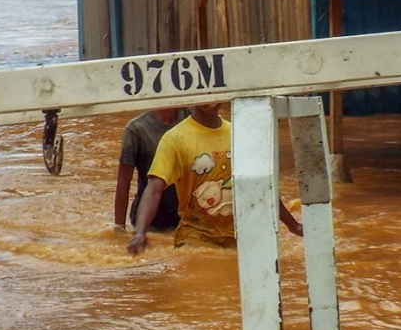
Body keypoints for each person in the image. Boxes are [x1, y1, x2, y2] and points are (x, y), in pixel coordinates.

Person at [127, 102, 302, 255]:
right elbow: (154, 189)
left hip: (239, 236)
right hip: (195, 236)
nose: (211, 100)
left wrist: (293, 226)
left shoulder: (238, 134)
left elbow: (263, 186)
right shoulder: (174, 139)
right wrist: (140, 232)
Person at [114, 108, 185, 233]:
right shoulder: (136, 129)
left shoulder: (193, 117)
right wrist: (119, 227)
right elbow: (124, 180)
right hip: (150, 218)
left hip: (186, 216)